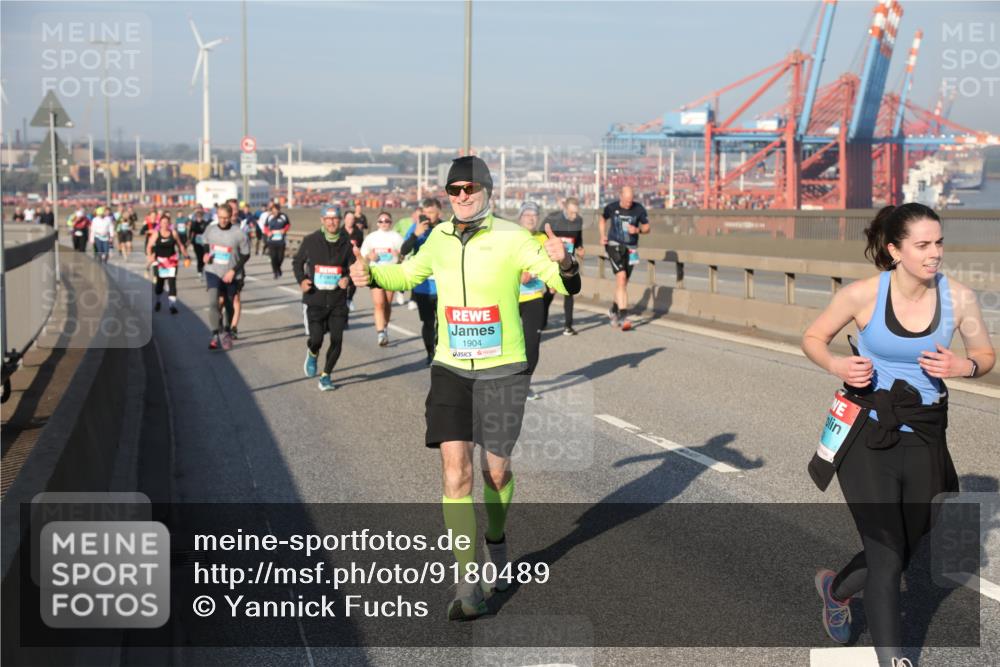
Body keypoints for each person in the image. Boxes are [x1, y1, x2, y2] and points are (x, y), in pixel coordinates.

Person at [351, 156, 581, 620]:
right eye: (454, 190)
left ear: (487, 191)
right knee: (455, 474)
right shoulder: (437, 237)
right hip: (451, 369)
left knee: (496, 472)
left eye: (469, 188)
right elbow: (408, 274)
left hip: (503, 370)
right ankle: (468, 581)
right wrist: (372, 274)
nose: (461, 196)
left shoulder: (514, 237)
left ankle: (496, 541)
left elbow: (562, 282)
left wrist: (568, 261)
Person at [802, 203, 994, 667]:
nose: (935, 254)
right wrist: (837, 363)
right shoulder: (863, 295)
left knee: (906, 546)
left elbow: (986, 355)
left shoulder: (959, 298)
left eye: (939, 243)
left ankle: (836, 589)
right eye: (923, 245)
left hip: (925, 434)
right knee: (887, 556)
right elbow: (813, 337)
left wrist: (962, 366)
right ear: (895, 249)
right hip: (867, 434)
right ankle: (895, 661)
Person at [293, 206, 355, 391]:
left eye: (335, 218)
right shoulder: (311, 240)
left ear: (340, 220)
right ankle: (312, 352)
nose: (331, 222)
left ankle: (326, 375)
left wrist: (348, 280)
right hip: (315, 299)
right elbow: (297, 262)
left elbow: (355, 267)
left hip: (337, 301)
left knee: (337, 339)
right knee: (317, 338)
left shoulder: (346, 244)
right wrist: (302, 280)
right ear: (322, 220)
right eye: (327, 219)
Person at [599, 185, 649, 331]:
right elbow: (602, 218)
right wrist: (602, 235)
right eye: (626, 200)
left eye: (631, 200)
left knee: (623, 283)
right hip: (614, 245)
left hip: (631, 249)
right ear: (620, 196)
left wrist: (638, 230)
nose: (629, 203)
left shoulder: (639, 209)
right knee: (621, 277)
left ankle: (614, 310)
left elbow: (647, 227)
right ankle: (623, 317)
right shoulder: (611, 207)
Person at [201, 203, 251, 351]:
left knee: (229, 304)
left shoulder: (238, 233)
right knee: (213, 301)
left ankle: (227, 330)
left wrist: (233, 271)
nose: (223, 220)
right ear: (217, 216)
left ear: (230, 217)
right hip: (213, 270)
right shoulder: (211, 229)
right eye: (220, 217)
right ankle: (215, 334)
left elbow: (246, 254)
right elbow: (205, 242)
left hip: (231, 273)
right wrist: (205, 253)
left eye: (226, 218)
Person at [400, 199, 444, 364]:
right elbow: (404, 250)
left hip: (443, 286)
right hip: (423, 287)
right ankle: (430, 353)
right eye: (424, 212)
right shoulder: (417, 228)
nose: (427, 216)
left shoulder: (447, 228)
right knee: (428, 322)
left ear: (439, 213)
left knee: (443, 323)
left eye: (431, 212)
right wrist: (415, 234)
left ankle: (441, 353)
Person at [516, 202, 548, 400]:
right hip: (510, 296)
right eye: (527, 214)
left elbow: (549, 262)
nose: (531, 218)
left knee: (532, 344)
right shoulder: (511, 238)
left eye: (534, 215)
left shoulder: (543, 238)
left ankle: (524, 385)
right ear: (520, 218)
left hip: (534, 296)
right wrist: (518, 274)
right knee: (504, 343)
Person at [359, 211, 404, 346]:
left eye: (387, 221)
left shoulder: (397, 237)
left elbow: (406, 255)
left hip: (392, 273)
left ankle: (384, 328)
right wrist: (369, 256)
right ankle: (380, 334)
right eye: (381, 221)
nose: (384, 223)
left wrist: (399, 255)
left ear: (391, 222)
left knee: (387, 304)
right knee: (378, 304)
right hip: (376, 273)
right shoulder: (372, 237)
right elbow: (363, 255)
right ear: (377, 223)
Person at [542, 197, 585, 335]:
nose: (574, 216)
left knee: (569, 292)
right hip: (552, 260)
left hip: (568, 261)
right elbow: (541, 236)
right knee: (551, 292)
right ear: (565, 209)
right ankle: (541, 321)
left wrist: (579, 247)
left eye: (576, 213)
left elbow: (578, 237)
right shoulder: (554, 219)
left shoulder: (578, 220)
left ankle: (568, 326)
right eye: (571, 213)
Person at [146, 214, 190, 314]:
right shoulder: (156, 234)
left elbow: (180, 245)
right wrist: (150, 257)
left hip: (171, 261)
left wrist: (186, 256)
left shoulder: (173, 233)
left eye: (167, 223)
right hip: (159, 261)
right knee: (159, 285)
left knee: (172, 283)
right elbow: (149, 246)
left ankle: (172, 306)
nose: (165, 225)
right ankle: (158, 301)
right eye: (163, 223)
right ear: (160, 224)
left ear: (169, 224)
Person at [393, 203, 423, 307]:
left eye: (421, 215)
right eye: (417, 215)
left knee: (416, 277)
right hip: (405, 252)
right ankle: (400, 292)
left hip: (416, 255)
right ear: (413, 214)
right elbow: (394, 232)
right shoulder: (404, 222)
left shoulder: (423, 225)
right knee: (406, 277)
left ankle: (413, 299)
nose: (419, 218)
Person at [342, 211, 365, 311]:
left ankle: (349, 299)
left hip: (354, 261)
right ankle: (342, 304)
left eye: (352, 219)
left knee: (353, 283)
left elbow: (362, 247)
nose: (350, 221)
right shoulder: (339, 232)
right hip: (342, 261)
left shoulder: (358, 233)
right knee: (343, 284)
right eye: (348, 219)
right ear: (344, 219)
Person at [262, 202, 291, 279]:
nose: (275, 212)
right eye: (273, 211)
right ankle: (275, 272)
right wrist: (268, 232)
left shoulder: (284, 216)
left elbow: (288, 225)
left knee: (280, 257)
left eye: (276, 210)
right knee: (273, 257)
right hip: (271, 241)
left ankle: (278, 268)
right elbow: (265, 227)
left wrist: (284, 230)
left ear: (279, 210)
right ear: (271, 211)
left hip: (281, 241)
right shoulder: (269, 217)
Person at [189, 206, 210, 275]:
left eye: (200, 216)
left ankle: (203, 268)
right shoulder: (193, 223)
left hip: (204, 242)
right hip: (196, 242)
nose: (199, 217)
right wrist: (190, 240)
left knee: (204, 255)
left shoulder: (205, 223)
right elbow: (190, 232)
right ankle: (199, 270)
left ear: (202, 216)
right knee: (198, 256)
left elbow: (208, 232)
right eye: (197, 216)